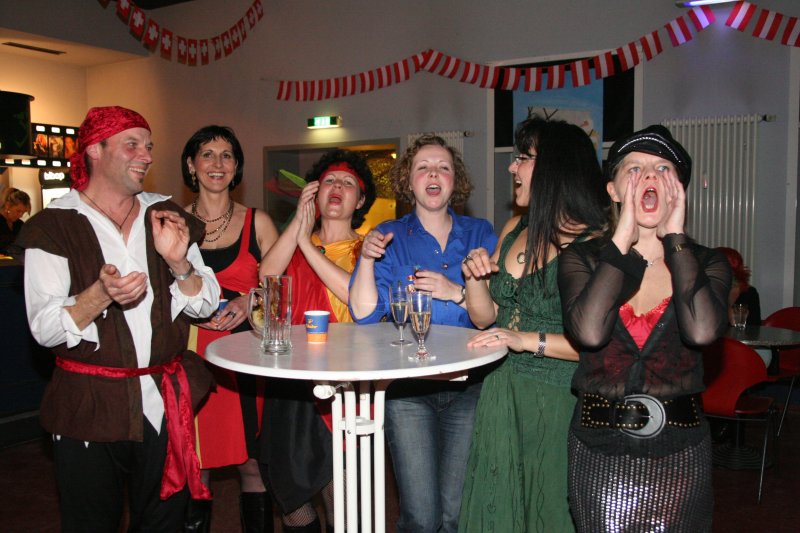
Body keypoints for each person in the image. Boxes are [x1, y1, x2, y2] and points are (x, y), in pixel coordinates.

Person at [17, 106, 220, 532]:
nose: (146, 155)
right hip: (89, 407)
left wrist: (180, 264)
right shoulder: (55, 226)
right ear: (95, 149)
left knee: (165, 523)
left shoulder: (165, 214)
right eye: (132, 145)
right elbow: (44, 328)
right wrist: (98, 295)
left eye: (149, 146)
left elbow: (205, 305)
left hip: (163, 404)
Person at [558, 125, 731, 532]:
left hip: (679, 454)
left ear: (677, 190)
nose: (649, 175)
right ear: (613, 190)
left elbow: (702, 332)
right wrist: (622, 239)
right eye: (634, 169)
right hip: (598, 453)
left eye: (662, 168)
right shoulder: (581, 258)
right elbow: (589, 333)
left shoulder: (707, 262)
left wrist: (675, 239)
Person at [458, 117, 610, 533]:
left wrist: (524, 339)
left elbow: (599, 344)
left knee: (548, 508)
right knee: (499, 505)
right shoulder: (514, 228)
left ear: (555, 168)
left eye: (523, 157)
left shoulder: (595, 245)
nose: (512, 167)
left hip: (556, 398)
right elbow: (485, 317)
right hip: (501, 389)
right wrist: (474, 278)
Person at [349, 135, 498, 533]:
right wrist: (367, 260)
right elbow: (364, 315)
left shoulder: (481, 233)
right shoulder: (388, 234)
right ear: (409, 181)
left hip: (470, 388)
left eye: (443, 167)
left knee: (455, 515)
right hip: (408, 390)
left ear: (455, 181)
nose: (434, 174)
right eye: (423, 168)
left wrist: (455, 291)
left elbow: (497, 312)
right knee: (421, 517)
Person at [258, 149, 376, 533]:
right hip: (291, 386)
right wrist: (300, 224)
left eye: (348, 183)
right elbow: (267, 278)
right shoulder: (293, 243)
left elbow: (355, 299)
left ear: (360, 200)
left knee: (341, 500)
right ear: (314, 193)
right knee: (292, 502)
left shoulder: (370, 250)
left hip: (342, 387)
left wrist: (308, 246)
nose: (337, 187)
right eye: (328, 181)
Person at [181, 125, 279, 532]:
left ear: (237, 167)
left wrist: (249, 300)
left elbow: (281, 290)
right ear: (191, 165)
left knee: (253, 464)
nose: (217, 163)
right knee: (195, 464)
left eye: (226, 155)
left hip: (246, 358)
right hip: (191, 355)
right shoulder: (171, 222)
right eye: (207, 154)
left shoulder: (259, 222)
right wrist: (187, 308)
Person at [717, 246, 761, 326]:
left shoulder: (749, 293)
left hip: (744, 334)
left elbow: (754, 327)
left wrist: (728, 302)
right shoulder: (706, 291)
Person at [0, 187, 31, 254]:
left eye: (23, 212)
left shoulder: (20, 224)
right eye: (18, 211)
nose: (21, 215)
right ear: (8, 206)